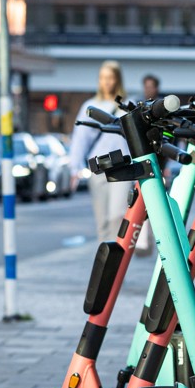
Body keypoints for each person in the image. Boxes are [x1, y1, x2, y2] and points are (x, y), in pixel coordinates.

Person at [70, 60, 149, 253]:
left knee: (117, 214)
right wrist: (74, 168)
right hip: (98, 168)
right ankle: (104, 259)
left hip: (122, 167)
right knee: (102, 220)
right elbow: (80, 139)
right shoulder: (90, 106)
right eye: (103, 78)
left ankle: (117, 256)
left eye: (110, 78)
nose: (106, 82)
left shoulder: (126, 105)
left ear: (117, 79)